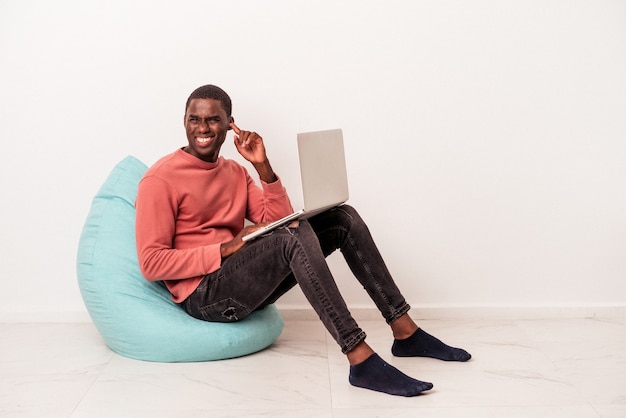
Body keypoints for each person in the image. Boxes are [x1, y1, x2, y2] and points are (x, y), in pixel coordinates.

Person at [135, 84, 471, 397]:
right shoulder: (160, 179)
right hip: (203, 295)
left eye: (213, 120)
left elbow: (282, 220)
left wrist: (263, 167)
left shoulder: (235, 172)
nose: (203, 128)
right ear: (184, 122)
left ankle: (406, 332)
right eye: (194, 119)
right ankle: (360, 358)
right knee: (287, 240)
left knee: (343, 218)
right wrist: (223, 248)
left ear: (230, 125)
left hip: (237, 279)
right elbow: (151, 263)